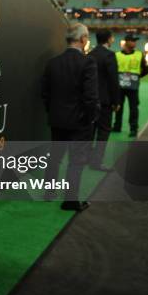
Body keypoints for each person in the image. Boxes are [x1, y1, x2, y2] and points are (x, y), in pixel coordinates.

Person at [41, 23, 99, 211]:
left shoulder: (53, 63)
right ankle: (70, 200)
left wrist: (53, 111)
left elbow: (45, 93)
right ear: (83, 39)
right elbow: (91, 96)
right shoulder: (88, 62)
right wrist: (90, 118)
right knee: (76, 161)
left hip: (57, 119)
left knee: (55, 157)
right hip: (79, 122)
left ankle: (48, 193)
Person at [88, 29, 120, 171]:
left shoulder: (90, 54)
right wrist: (116, 101)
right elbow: (113, 80)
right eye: (112, 37)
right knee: (103, 131)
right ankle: (96, 162)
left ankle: (85, 159)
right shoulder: (109, 55)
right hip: (105, 100)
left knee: (90, 131)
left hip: (90, 99)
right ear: (108, 39)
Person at [113, 34, 148, 137]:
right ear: (127, 42)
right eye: (133, 40)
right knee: (118, 107)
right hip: (120, 87)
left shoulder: (139, 54)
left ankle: (133, 129)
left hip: (133, 87)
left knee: (133, 108)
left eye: (135, 41)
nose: (134, 43)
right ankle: (117, 126)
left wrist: (137, 77)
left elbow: (146, 70)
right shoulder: (117, 55)